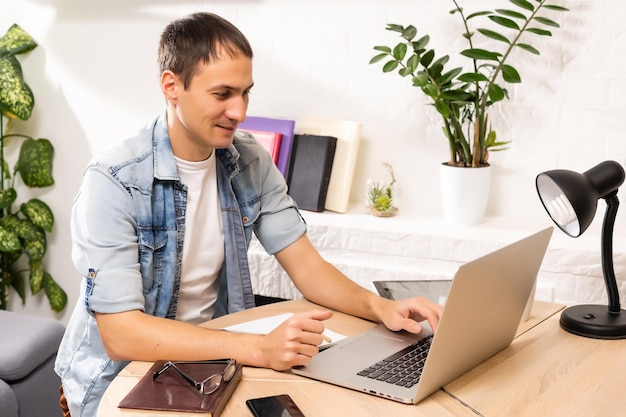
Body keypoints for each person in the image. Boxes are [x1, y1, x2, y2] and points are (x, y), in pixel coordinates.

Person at [54, 12, 443, 417]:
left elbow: (307, 267)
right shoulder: (115, 180)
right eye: (223, 94)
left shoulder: (249, 159)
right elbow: (121, 333)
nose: (239, 111)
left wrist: (380, 308)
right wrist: (258, 348)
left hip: (211, 366)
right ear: (172, 86)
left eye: (246, 93)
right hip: (121, 379)